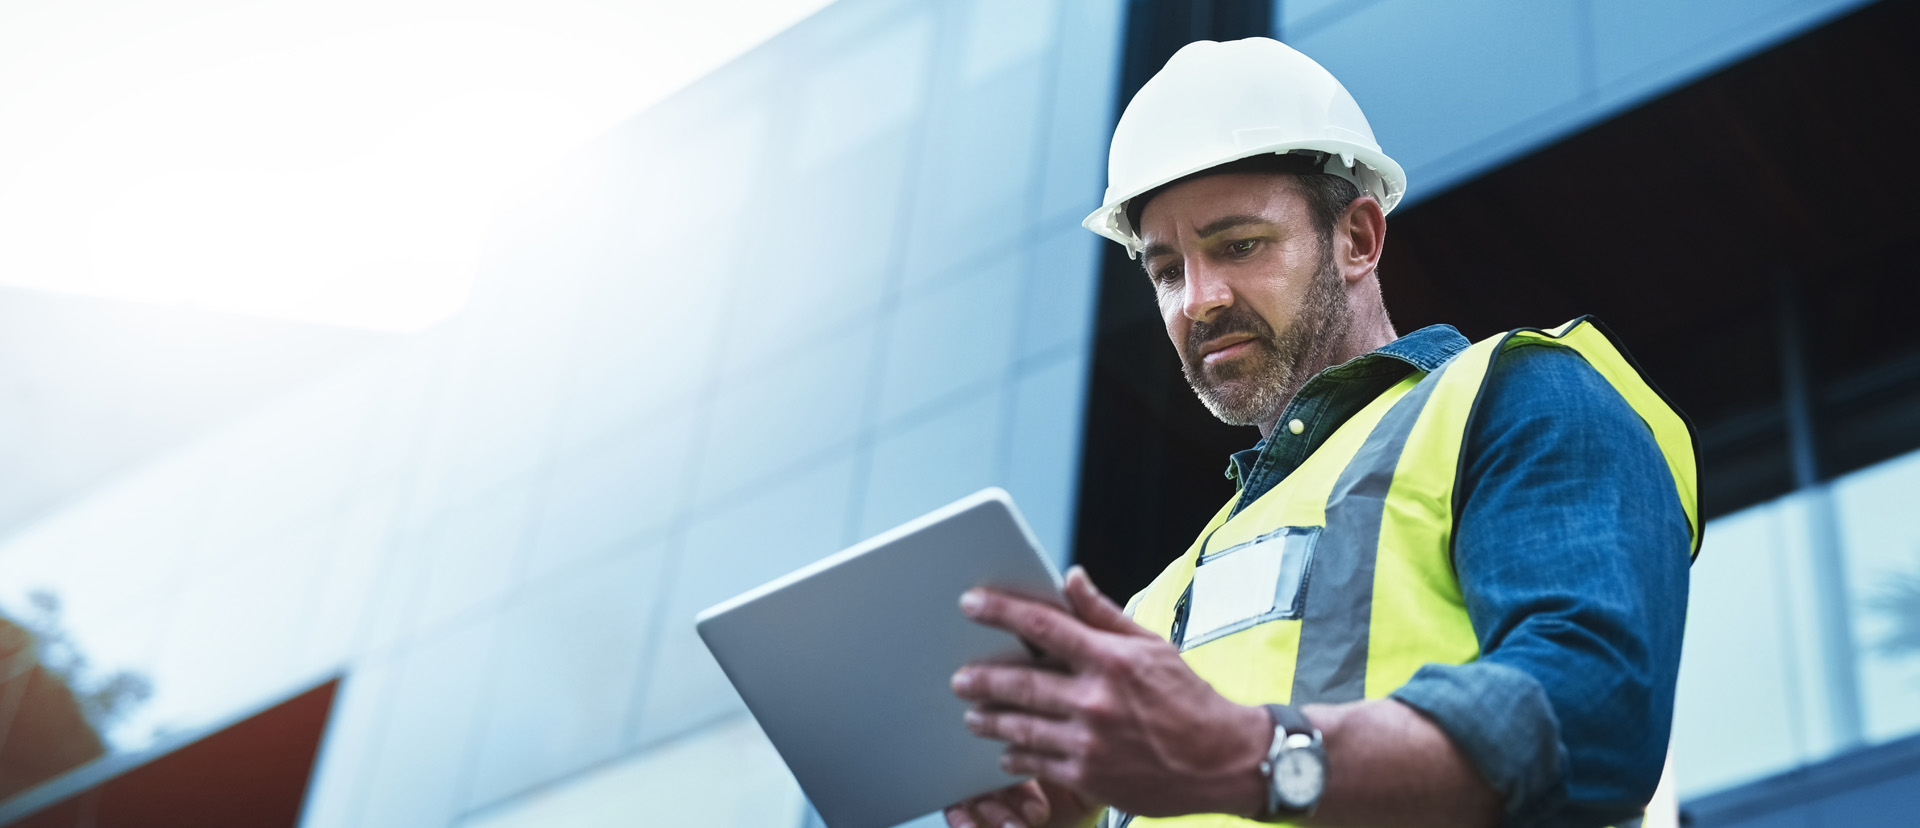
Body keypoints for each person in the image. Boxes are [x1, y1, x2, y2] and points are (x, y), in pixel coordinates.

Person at [943, 37, 1699, 828]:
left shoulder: (1513, 396)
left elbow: (1595, 713)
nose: (1197, 300)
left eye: (1239, 245)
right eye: (1167, 270)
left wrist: (1247, 756)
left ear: (1358, 239)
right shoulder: (1155, 603)